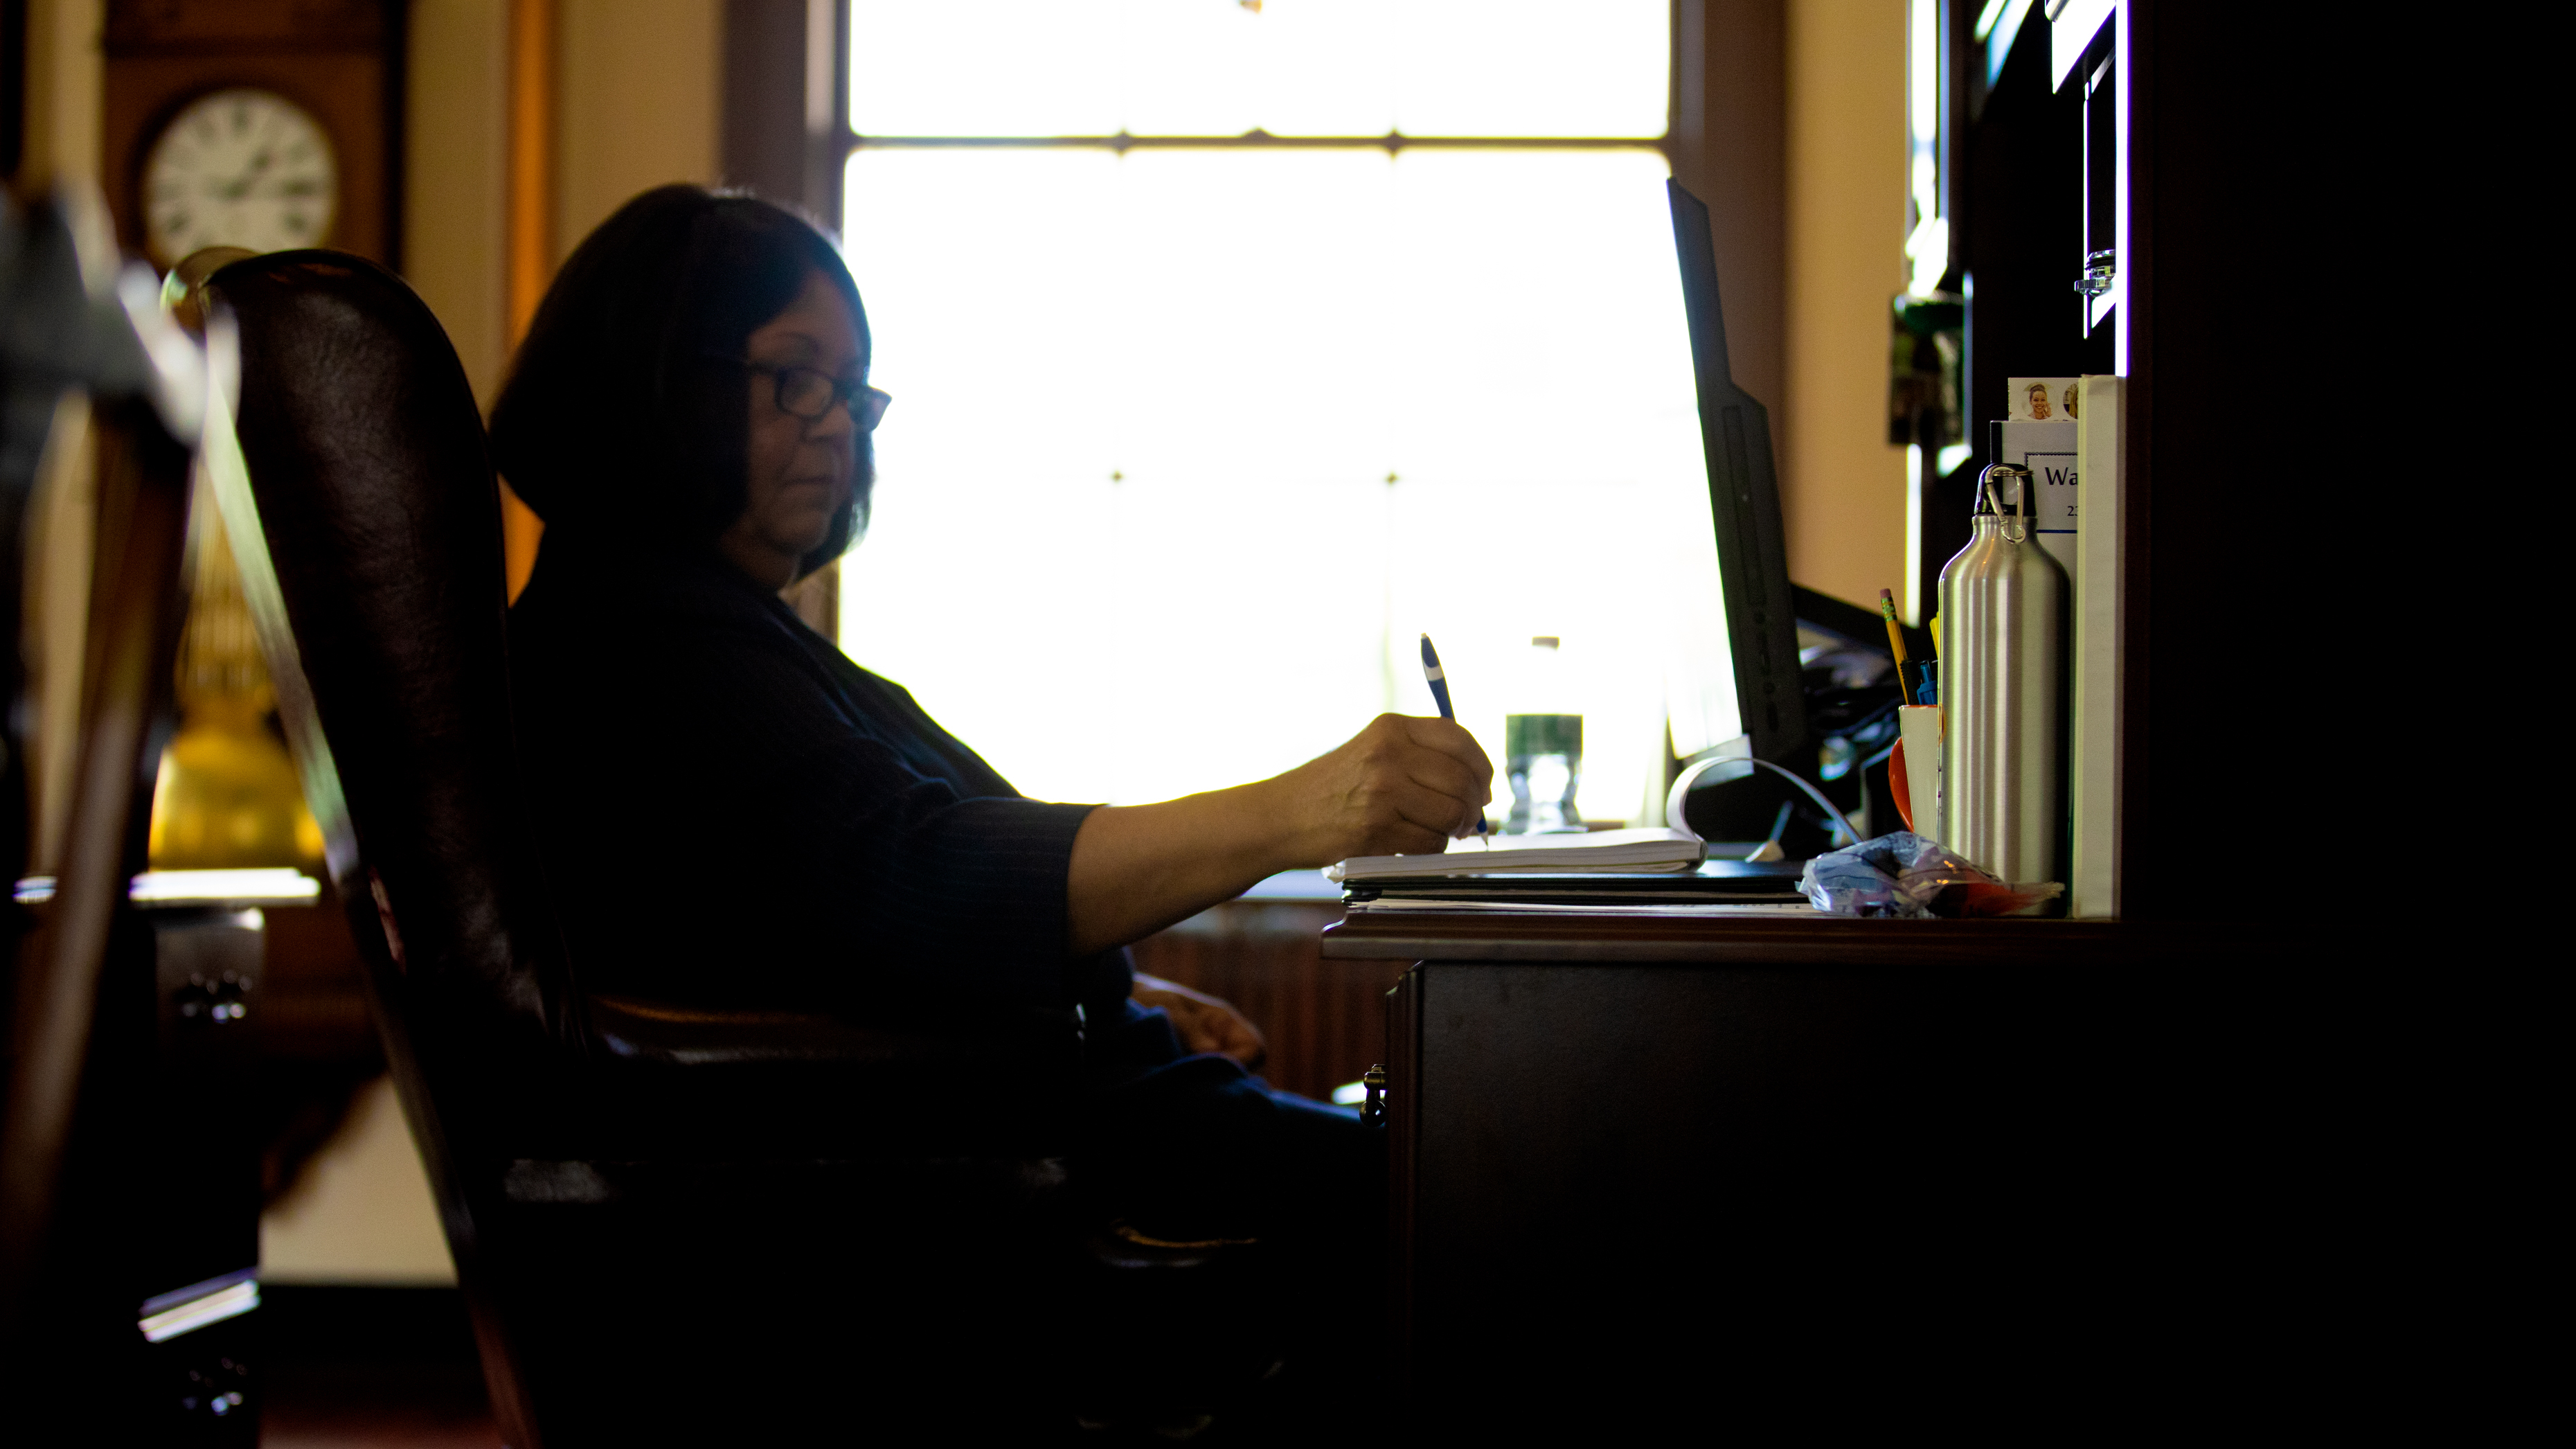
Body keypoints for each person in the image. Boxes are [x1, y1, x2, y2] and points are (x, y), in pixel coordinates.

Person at [489, 185, 1491, 1415]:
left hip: (1062, 1124)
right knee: (1524, 1216)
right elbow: (918, 872)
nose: (837, 428)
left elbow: (802, 908)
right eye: (794, 378)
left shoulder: (715, 627)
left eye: (853, 393)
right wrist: (1313, 808)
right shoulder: (642, 641)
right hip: (1022, 1177)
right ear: (648, 377)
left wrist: (1116, 985)